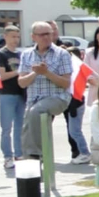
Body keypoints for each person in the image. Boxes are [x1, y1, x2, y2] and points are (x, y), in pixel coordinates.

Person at [16, 22, 73, 163]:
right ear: (33, 37)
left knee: (37, 111)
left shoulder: (62, 54)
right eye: (41, 35)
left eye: (48, 34)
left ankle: (36, 153)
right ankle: (31, 162)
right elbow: (22, 82)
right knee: (26, 127)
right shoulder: (26, 54)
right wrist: (35, 73)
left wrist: (46, 73)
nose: (46, 37)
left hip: (57, 97)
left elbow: (66, 83)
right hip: (33, 99)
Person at [0, 26, 25, 170]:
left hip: (21, 93)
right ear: (5, 36)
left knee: (20, 126)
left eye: (17, 37)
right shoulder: (1, 54)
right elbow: (2, 75)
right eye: (12, 36)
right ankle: (7, 156)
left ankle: (19, 154)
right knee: (6, 128)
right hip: (7, 93)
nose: (15, 40)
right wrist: (19, 72)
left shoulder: (21, 54)